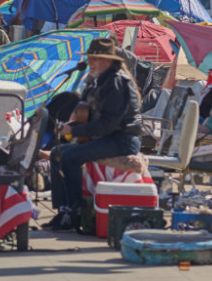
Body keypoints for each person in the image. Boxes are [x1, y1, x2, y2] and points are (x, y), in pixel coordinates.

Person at [46, 37, 143, 232]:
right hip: (107, 137)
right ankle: (63, 210)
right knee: (57, 153)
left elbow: (108, 124)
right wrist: (70, 122)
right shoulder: (98, 80)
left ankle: (76, 210)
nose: (90, 62)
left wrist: (73, 130)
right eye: (90, 58)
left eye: (95, 59)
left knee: (70, 157)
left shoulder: (117, 83)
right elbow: (86, 111)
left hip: (123, 140)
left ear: (108, 61)